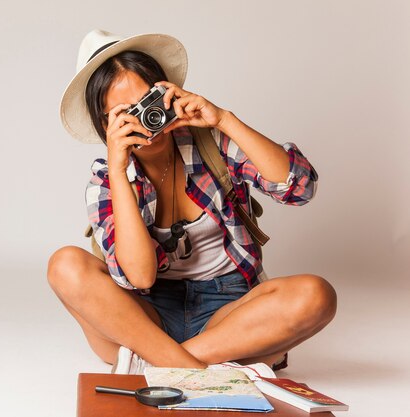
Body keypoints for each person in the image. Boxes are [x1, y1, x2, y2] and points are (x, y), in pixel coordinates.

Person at [48, 29, 337, 374]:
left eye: (148, 103)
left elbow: (300, 188)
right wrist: (119, 167)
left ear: (168, 94)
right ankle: (210, 364)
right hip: (144, 315)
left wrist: (224, 119)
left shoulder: (210, 142)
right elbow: (139, 277)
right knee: (65, 264)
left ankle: (156, 364)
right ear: (104, 124)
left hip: (227, 311)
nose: (145, 120)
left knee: (317, 294)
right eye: (128, 113)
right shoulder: (106, 179)